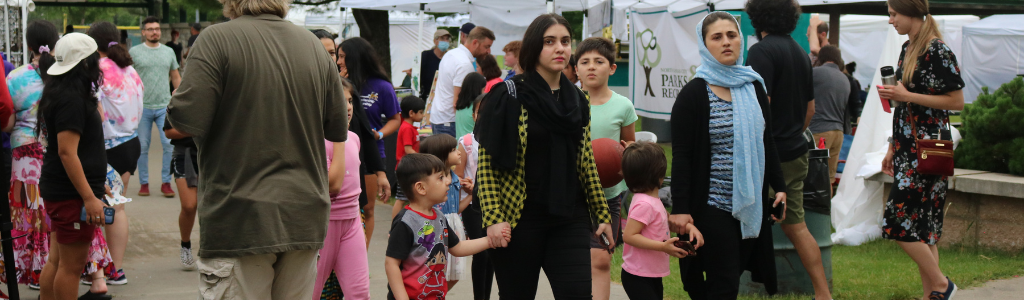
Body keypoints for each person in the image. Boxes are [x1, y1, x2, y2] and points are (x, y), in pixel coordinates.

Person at [166, 0, 349, 297]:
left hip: (239, 216)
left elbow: (185, 120)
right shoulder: (314, 46)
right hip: (304, 214)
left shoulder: (216, 39)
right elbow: (337, 125)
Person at [475, 13, 613, 299]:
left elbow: (586, 160)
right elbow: (487, 166)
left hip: (569, 216)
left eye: (565, 41)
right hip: (519, 219)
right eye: (549, 41)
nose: (560, 48)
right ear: (534, 47)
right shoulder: (508, 95)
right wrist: (493, 218)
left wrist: (601, 212)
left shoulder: (578, 99)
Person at [671, 12, 788, 299]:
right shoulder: (693, 94)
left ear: (740, 40)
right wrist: (681, 209)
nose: (726, 42)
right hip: (712, 204)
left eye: (732, 35)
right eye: (717, 37)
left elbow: (767, 140)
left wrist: (780, 186)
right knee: (725, 283)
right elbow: (682, 156)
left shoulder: (754, 86)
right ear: (704, 44)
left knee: (726, 277)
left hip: (750, 203)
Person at [744, 1, 832, 299]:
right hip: (796, 151)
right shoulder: (799, 52)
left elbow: (759, 106)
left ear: (757, 15)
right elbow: (810, 109)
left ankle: (741, 286)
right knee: (797, 226)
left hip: (768, 155)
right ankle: (822, 292)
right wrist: (792, 131)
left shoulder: (760, 51)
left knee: (740, 220)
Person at [878, 0, 965, 299]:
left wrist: (908, 94)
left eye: (893, 14)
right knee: (924, 228)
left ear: (910, 12)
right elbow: (905, 106)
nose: (890, 20)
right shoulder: (908, 48)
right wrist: (891, 146)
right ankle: (934, 295)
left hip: (927, 150)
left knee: (896, 223)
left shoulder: (936, 50)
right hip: (907, 148)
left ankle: (941, 284)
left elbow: (956, 101)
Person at [36, 32, 109, 300]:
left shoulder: (64, 92)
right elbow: (67, 153)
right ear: (86, 63)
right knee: (70, 267)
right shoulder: (72, 99)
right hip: (71, 195)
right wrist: (89, 197)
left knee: (56, 261)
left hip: (64, 191)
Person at [384, 153, 505, 300]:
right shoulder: (406, 221)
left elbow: (458, 248)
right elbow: (391, 264)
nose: (448, 182)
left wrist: (490, 240)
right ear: (421, 188)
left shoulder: (439, 217)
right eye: (441, 178)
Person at [575, 36, 637, 300]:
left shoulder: (623, 105)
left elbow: (631, 145)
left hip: (608, 194)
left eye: (599, 61)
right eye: (584, 62)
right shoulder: (568, 102)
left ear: (611, 68)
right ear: (575, 68)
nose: (591, 67)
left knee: (600, 258)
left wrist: (625, 152)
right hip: (572, 193)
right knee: (575, 261)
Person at [2, 20, 58, 291]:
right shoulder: (65, 74)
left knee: (27, 210)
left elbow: (9, 122)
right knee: (52, 207)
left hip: (24, 151)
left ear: (28, 45)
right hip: (58, 150)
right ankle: (52, 265)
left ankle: (33, 270)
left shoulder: (15, 77)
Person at [621, 142, 703, 300]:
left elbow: (667, 221)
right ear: (659, 175)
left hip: (650, 273)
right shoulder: (645, 204)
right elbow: (629, 236)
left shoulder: (652, 200)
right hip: (638, 275)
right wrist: (663, 247)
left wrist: (689, 228)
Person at [339, 37, 398, 246]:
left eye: (343, 56)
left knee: (367, 207)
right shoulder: (339, 83)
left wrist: (379, 134)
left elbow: (395, 119)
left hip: (370, 154)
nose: (339, 61)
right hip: (343, 152)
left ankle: (361, 252)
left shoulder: (381, 86)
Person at [313, 91, 369, 300]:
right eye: (339, 101)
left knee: (360, 293)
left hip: (352, 222)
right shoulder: (316, 141)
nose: (347, 107)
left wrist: (359, 222)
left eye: (350, 101)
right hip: (323, 225)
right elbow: (331, 185)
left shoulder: (353, 138)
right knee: (312, 291)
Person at [130, 16, 180, 199]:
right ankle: (144, 183)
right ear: (143, 32)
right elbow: (128, 77)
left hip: (164, 107)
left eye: (157, 29)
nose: (154, 32)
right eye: (150, 29)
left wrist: (179, 96)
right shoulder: (134, 52)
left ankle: (166, 183)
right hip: (141, 107)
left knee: (169, 145)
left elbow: (175, 76)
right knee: (142, 146)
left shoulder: (168, 52)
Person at [453, 94, 490, 300]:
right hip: (472, 205)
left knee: (493, 253)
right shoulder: (466, 142)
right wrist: (470, 187)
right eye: (479, 111)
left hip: (494, 205)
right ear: (474, 115)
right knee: (481, 251)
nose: (483, 115)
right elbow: (458, 176)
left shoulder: (500, 140)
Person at [431, 26, 494, 137]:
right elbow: (458, 101)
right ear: (475, 43)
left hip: (440, 118)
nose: (488, 51)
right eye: (487, 46)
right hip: (450, 121)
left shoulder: (451, 54)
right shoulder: (464, 64)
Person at [809, 45, 855, 187]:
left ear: (820, 58)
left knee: (811, 177)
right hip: (838, 133)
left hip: (819, 131)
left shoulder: (816, 73)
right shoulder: (845, 79)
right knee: (829, 178)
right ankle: (827, 208)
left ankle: (811, 209)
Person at [393, 96, 424, 207]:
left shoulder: (410, 128)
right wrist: (423, 158)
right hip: (404, 168)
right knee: (401, 198)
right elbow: (408, 149)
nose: (423, 115)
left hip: (409, 167)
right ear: (411, 113)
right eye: (420, 112)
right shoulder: (407, 128)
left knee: (410, 197)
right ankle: (394, 223)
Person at [420, 29, 452, 99]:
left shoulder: (450, 57)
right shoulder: (426, 55)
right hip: (427, 95)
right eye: (442, 39)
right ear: (435, 41)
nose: (445, 41)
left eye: (447, 39)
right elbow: (419, 74)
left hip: (444, 96)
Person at [454, 73, 486, 139]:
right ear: (477, 90)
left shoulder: (460, 106)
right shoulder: (477, 108)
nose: (484, 92)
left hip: (460, 145)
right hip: (471, 146)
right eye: (483, 90)